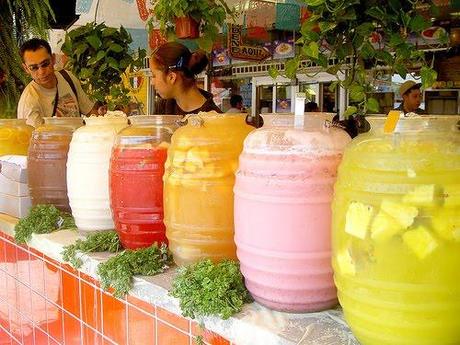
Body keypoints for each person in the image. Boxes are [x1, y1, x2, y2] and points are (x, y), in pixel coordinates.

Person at [17, 38, 103, 127]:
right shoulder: (28, 103)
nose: (41, 72)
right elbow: (34, 138)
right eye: (34, 68)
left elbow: (90, 112)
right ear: (26, 69)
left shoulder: (67, 77)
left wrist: (108, 116)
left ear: (53, 59)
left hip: (80, 139)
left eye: (45, 64)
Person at [150, 42, 221, 115]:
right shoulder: (163, 106)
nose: (151, 82)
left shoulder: (213, 118)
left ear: (172, 77)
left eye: (154, 75)